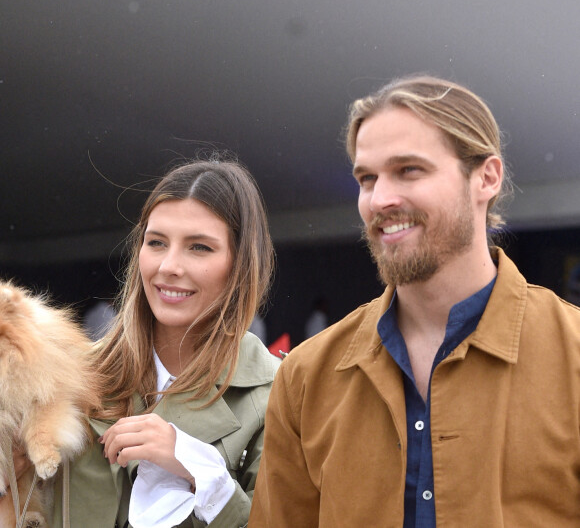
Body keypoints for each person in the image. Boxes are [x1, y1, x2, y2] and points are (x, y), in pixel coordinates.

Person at [249, 75, 580, 527]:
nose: (380, 199)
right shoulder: (306, 377)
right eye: (367, 178)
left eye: (409, 170)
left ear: (486, 177)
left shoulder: (573, 354)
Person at [51, 157, 278, 527]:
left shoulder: (281, 393)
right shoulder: (70, 377)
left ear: (241, 263)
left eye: (199, 247)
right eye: (156, 242)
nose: (169, 265)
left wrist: (201, 471)